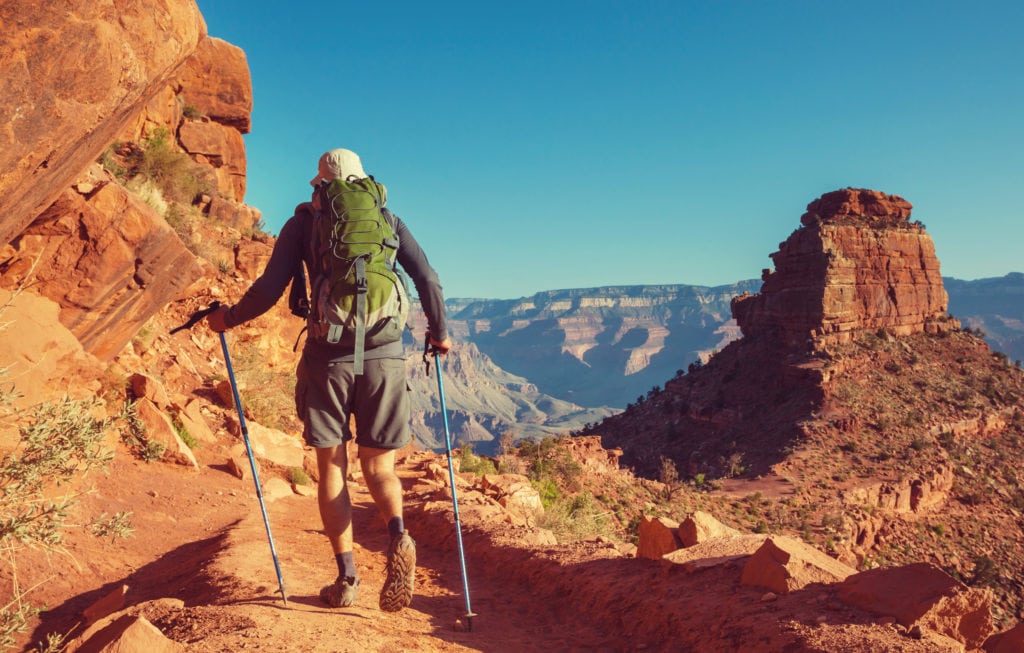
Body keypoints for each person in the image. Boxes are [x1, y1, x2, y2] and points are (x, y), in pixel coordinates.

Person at [206, 148, 451, 612]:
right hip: (385, 357)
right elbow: (429, 280)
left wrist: (228, 319)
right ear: (363, 182)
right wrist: (439, 335)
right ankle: (398, 533)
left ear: (319, 184)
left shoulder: (303, 225)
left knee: (332, 467)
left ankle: (347, 578)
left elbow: (270, 288)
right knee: (381, 468)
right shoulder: (388, 220)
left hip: (327, 358)